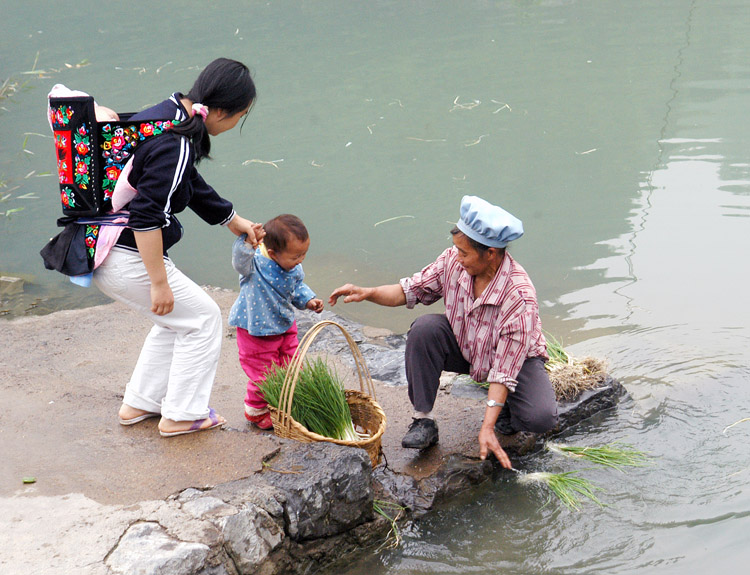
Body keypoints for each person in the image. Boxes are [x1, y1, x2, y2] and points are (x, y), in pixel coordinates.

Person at [93, 58, 263, 437]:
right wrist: (158, 282)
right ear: (220, 111)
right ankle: (183, 415)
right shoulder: (176, 143)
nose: (237, 123)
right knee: (203, 319)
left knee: (178, 320)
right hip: (126, 254)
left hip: (102, 248)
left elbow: (187, 181)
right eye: (241, 115)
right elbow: (146, 216)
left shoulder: (168, 114)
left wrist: (234, 220)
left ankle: (141, 402)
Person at [328, 195, 558, 468]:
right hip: (467, 344)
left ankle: (507, 408)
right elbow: (409, 290)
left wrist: (486, 427)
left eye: (464, 253)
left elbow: (504, 370)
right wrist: (367, 292)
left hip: (514, 362)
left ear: (491, 254)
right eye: (456, 249)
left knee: (540, 418)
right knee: (425, 329)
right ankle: (423, 419)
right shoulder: (453, 261)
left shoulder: (519, 296)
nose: (457, 257)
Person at [228, 214, 324, 429]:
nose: (300, 260)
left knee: (291, 365)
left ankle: (285, 401)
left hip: (284, 324)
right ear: (272, 253)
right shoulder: (255, 264)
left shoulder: (294, 267)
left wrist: (309, 300)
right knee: (264, 374)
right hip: (256, 330)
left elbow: (297, 287)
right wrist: (246, 240)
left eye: (304, 254)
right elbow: (239, 261)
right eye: (295, 256)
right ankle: (256, 410)